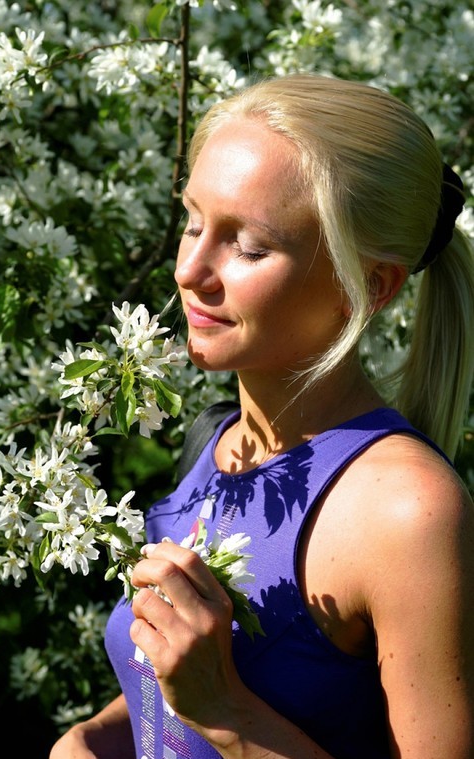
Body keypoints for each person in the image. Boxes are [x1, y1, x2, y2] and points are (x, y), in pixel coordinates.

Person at [49, 73, 474, 759]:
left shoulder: (406, 512)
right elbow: (168, 692)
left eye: (247, 246)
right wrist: (94, 737)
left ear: (366, 286)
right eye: (193, 222)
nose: (189, 270)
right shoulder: (215, 443)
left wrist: (225, 714)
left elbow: (213, 696)